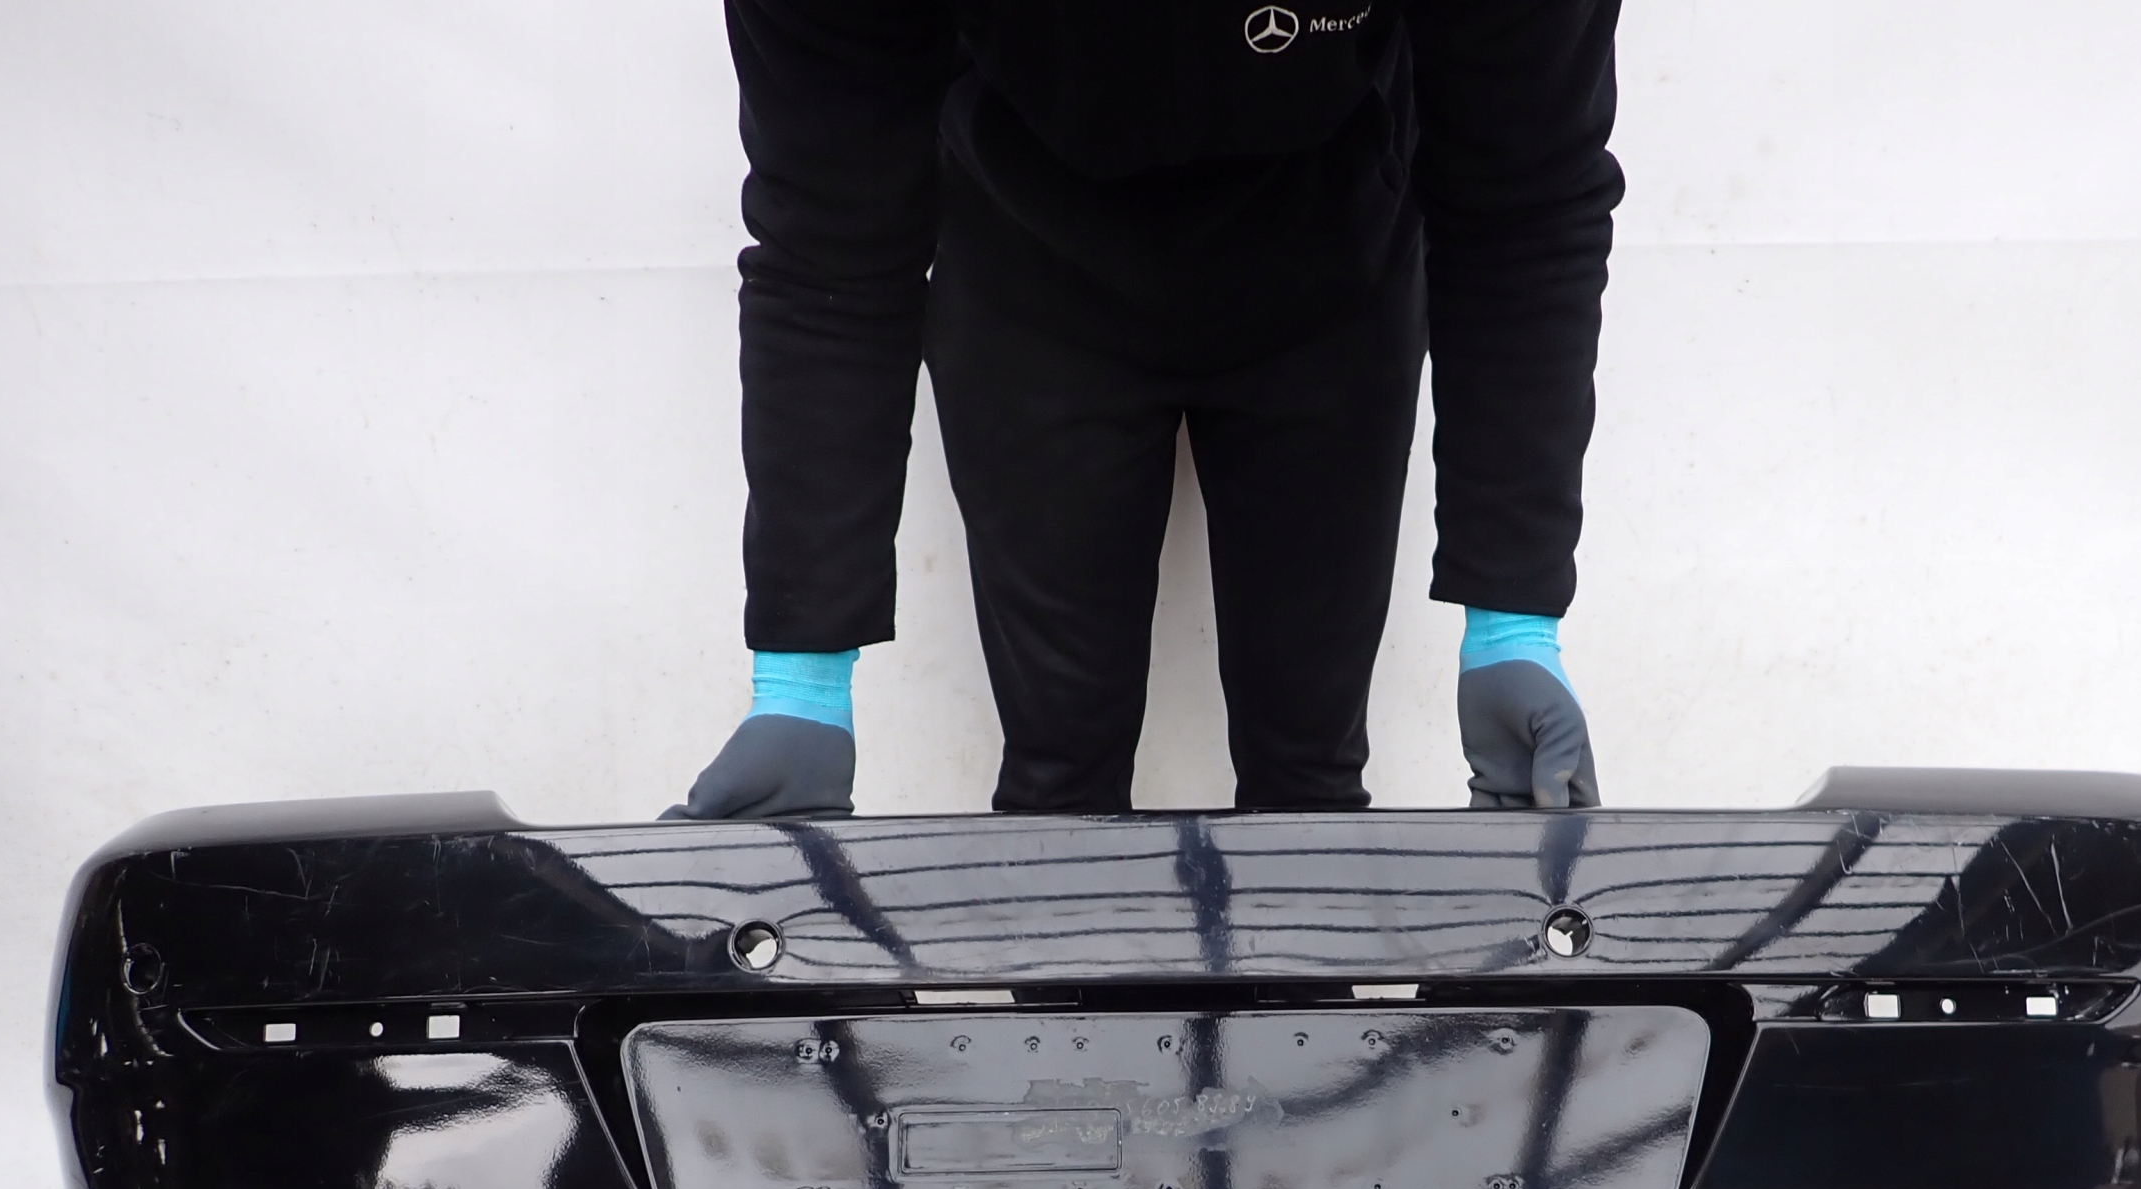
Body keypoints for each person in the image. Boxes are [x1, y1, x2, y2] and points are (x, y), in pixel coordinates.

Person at [671, 0, 1620, 821]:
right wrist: (802, 679)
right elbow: (830, 239)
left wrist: (1512, 620)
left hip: (1328, 250)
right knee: (1058, 782)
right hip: (1032, 258)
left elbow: (1524, 195)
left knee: (1309, 784)